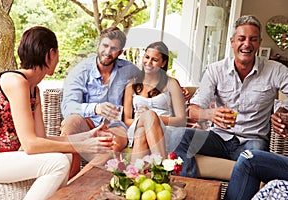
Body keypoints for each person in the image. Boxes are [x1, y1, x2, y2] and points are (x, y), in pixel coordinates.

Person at [0, 26, 114, 200]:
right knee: (58, 163)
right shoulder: (16, 82)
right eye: (57, 53)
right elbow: (31, 145)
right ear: (50, 53)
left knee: (66, 156)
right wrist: (81, 147)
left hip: (5, 157)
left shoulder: (34, 90)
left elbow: (42, 138)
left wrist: (85, 137)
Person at [174, 15, 288, 178]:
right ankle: (191, 189)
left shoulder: (276, 70)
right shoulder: (215, 70)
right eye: (241, 38)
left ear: (259, 43)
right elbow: (193, 109)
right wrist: (210, 114)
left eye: (253, 39)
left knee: (254, 156)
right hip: (218, 138)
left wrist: (282, 109)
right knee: (178, 136)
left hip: (252, 139)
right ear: (232, 41)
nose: (247, 44)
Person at [61, 26, 140, 177]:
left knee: (115, 140)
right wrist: (95, 108)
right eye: (105, 46)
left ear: (120, 52)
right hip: (88, 123)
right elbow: (68, 107)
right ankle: (69, 176)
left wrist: (174, 89)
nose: (108, 52)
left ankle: (77, 181)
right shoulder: (81, 71)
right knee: (70, 122)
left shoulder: (129, 70)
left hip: (115, 126)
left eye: (114, 48)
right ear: (98, 44)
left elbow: (153, 80)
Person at [123, 41, 186, 160]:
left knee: (143, 130)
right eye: (147, 57)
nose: (149, 62)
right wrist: (145, 119)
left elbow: (181, 120)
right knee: (144, 123)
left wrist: (153, 119)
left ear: (163, 63)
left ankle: (134, 175)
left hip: (165, 130)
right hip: (136, 125)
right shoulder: (132, 84)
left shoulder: (171, 83)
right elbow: (126, 120)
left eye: (155, 60)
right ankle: (162, 165)